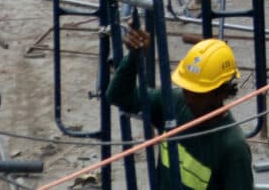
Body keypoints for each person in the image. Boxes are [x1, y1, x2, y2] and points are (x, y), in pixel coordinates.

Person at [106, 27, 254, 190]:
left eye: (197, 93)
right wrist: (134, 58)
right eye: (186, 88)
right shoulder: (175, 103)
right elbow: (118, 96)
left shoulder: (232, 147)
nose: (189, 98)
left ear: (222, 92)